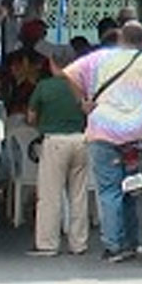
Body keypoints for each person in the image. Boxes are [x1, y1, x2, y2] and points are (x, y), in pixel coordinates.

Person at [64, 20, 142, 263]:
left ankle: (113, 246)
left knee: (109, 191)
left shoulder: (101, 58)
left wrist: (82, 102)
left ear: (120, 38)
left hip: (103, 130)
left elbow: (69, 73)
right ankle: (132, 243)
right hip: (138, 135)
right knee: (134, 189)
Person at [27, 58, 91, 257]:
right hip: (81, 140)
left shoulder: (44, 87)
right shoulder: (81, 86)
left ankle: (48, 243)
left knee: (50, 195)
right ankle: (79, 243)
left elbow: (31, 117)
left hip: (55, 141)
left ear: (54, 66)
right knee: (78, 195)